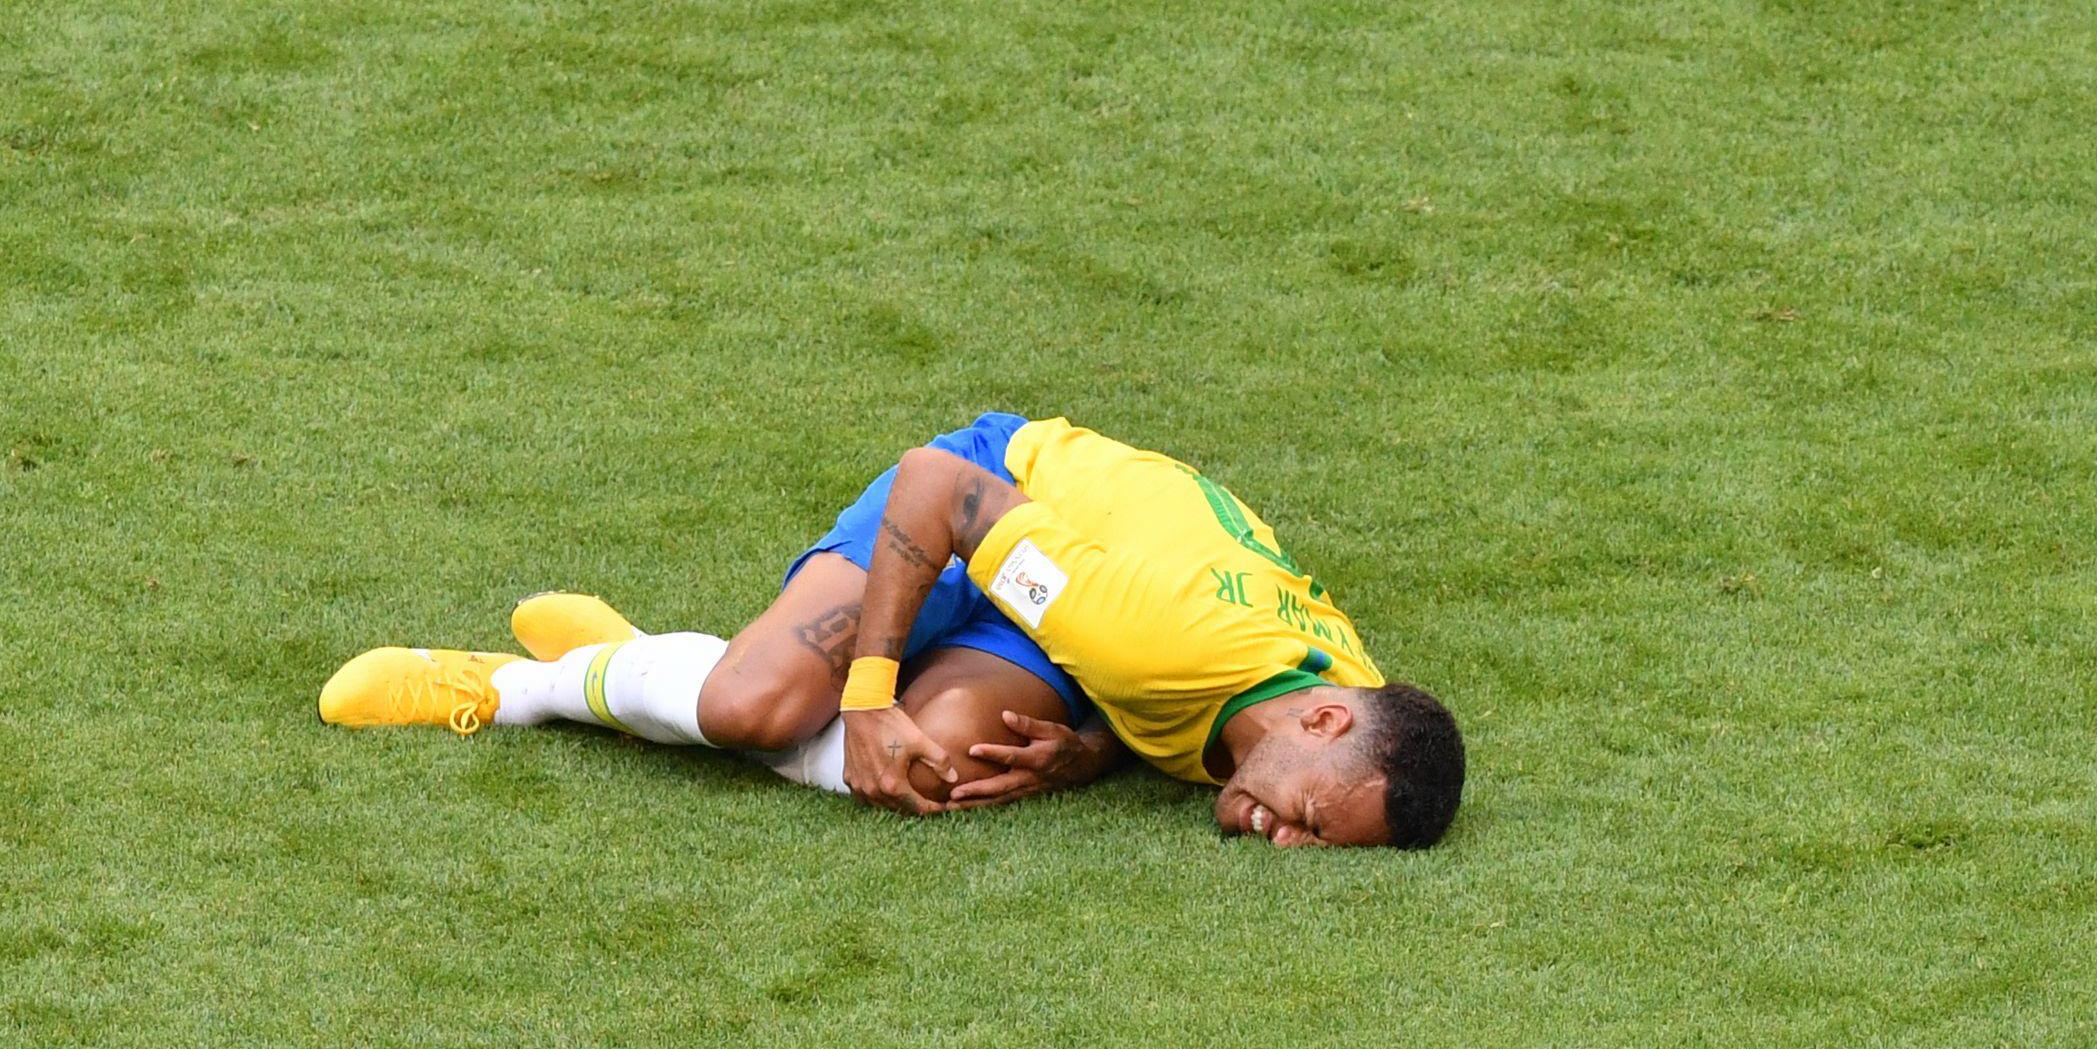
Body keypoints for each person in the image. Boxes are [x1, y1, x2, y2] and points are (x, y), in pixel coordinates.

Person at [319, 413, 1465, 849]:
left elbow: (1164, 701)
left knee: (943, 772)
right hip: (977, 495)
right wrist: (865, 700)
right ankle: (528, 684)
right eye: (1309, 816)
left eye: (1318, 845)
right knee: (753, 711)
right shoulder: (1154, 638)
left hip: (1064, 605)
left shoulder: (1349, 692)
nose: (1284, 840)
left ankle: (641, 660)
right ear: (1322, 721)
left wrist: (1095, 750)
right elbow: (934, 488)